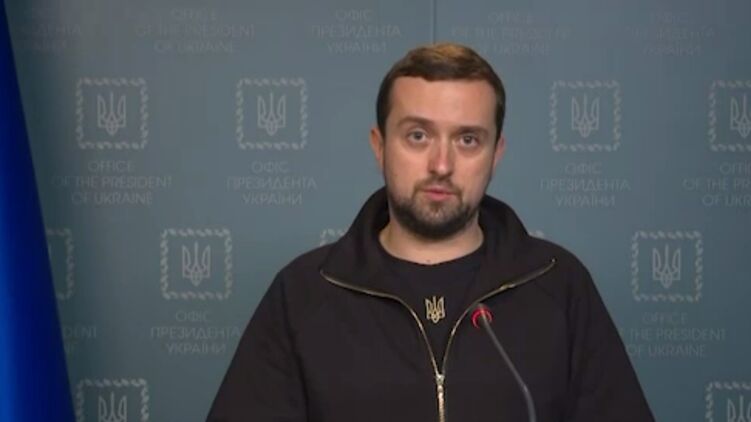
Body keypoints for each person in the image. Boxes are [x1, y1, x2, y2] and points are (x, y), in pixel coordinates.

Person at [207, 43, 655, 422]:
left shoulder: (558, 284)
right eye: (418, 136)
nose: (442, 164)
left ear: (496, 154)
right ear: (379, 146)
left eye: (467, 140)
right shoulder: (304, 294)